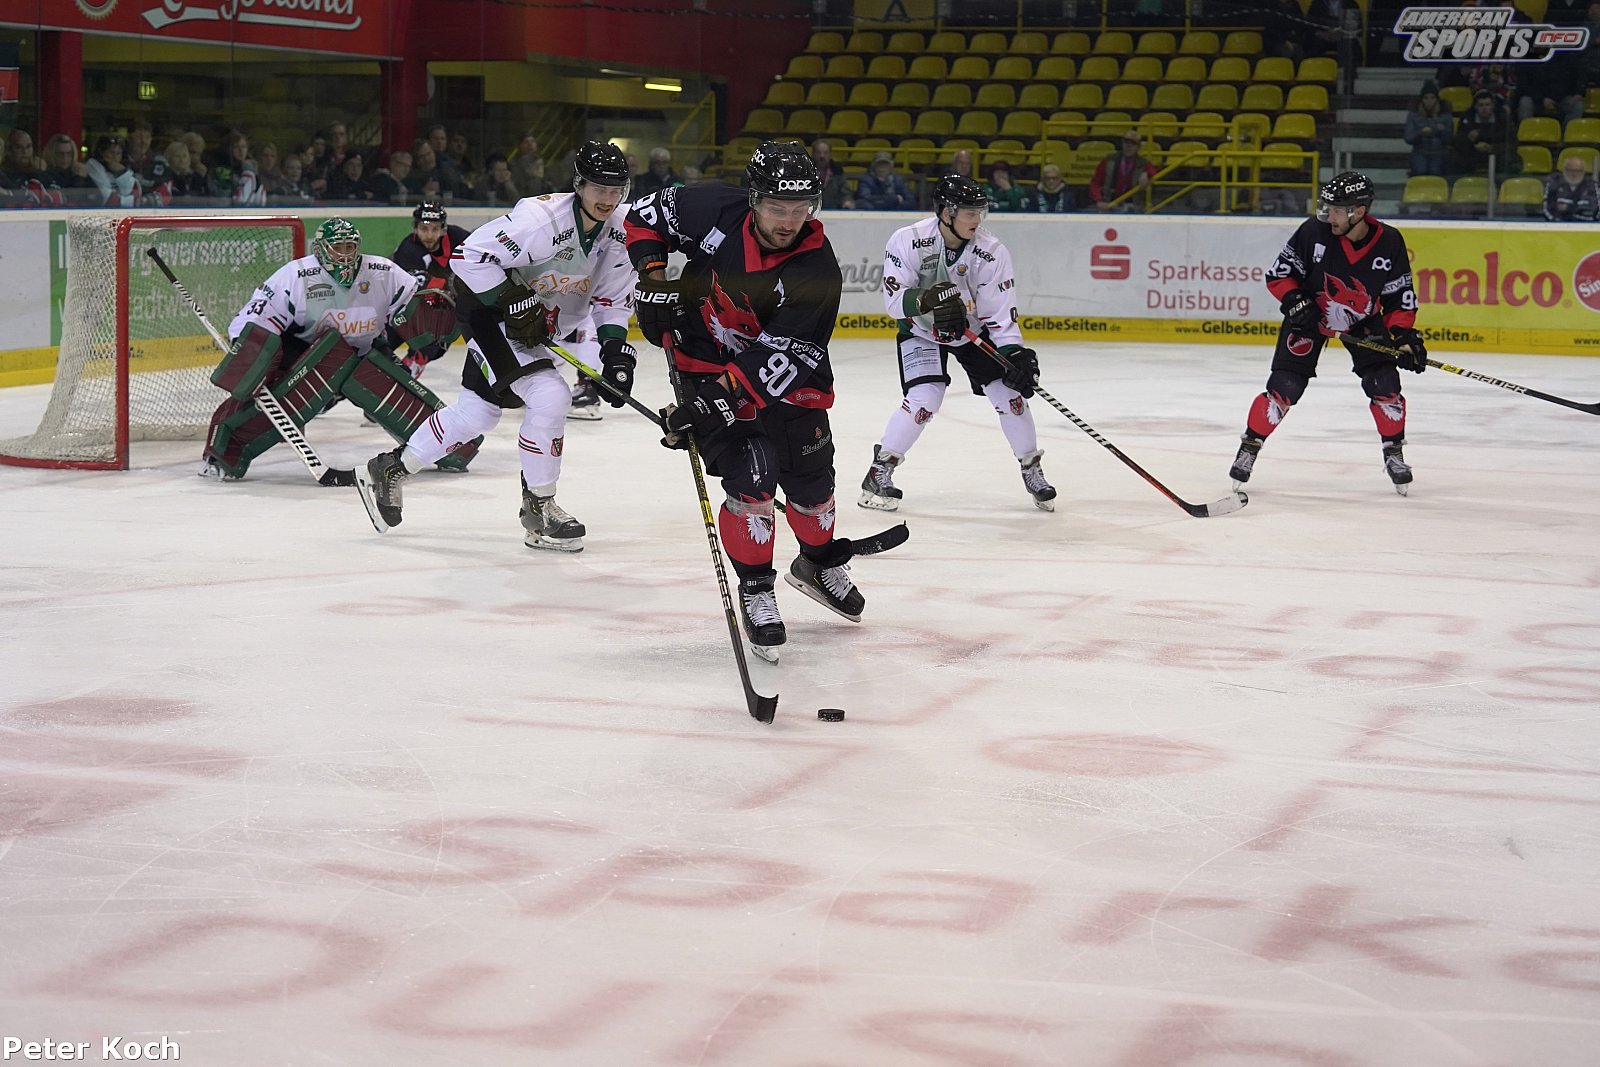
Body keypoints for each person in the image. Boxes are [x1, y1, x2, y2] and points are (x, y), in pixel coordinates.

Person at [625, 139, 865, 663]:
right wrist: (654, 279)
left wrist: (709, 404)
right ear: (754, 199)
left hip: (781, 377)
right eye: (778, 208)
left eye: (801, 209)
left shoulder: (816, 270)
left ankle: (818, 560)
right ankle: (757, 588)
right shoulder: (712, 207)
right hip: (705, 359)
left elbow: (784, 357)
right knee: (753, 474)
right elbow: (643, 216)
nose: (790, 221)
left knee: (813, 484)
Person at [357, 142, 637, 551]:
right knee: (550, 395)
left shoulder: (621, 230)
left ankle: (391, 468)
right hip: (491, 313)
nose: (607, 199)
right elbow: (469, 257)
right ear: (579, 185)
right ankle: (540, 508)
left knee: (477, 413)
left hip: (537, 326)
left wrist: (615, 353)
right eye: (599, 189)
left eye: (616, 191)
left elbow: (611, 299)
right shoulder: (541, 219)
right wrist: (513, 299)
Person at [201, 217, 469, 482]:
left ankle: (454, 448)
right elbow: (255, 317)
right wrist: (250, 354)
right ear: (320, 249)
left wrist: (435, 322)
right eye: (336, 247)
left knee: (404, 396)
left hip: (366, 351)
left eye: (349, 247)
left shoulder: (382, 271)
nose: (344, 254)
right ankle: (222, 453)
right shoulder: (296, 275)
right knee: (277, 399)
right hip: (308, 354)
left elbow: (414, 304)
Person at [859, 174, 1054, 516]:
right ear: (946, 212)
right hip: (921, 331)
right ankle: (880, 470)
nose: (977, 220)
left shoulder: (991, 251)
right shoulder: (908, 240)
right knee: (925, 397)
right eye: (969, 213)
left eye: (980, 212)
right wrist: (928, 301)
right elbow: (894, 302)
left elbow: (999, 313)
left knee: (1010, 395)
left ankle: (1031, 467)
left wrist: (1015, 353)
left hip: (972, 331)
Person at [1227, 171, 1426, 496]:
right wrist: (1295, 300)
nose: (1328, 215)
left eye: (1336, 210)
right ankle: (1249, 446)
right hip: (1308, 316)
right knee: (1285, 386)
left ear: (1358, 211)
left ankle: (1394, 452)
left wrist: (1404, 337)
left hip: (1363, 320)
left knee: (1385, 384)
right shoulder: (1313, 231)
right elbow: (1280, 275)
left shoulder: (1390, 242)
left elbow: (1398, 297)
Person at [388, 200, 472, 376]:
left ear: (443, 229)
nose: (429, 235)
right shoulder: (408, 250)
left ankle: (416, 361)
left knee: (439, 341)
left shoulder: (458, 237)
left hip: (442, 304)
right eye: (424, 229)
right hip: (401, 306)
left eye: (435, 229)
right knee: (386, 341)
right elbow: (421, 293)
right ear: (415, 228)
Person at [1451, 90, 1512, 176]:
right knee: (1457, 158)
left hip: (1496, 151)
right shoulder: (1467, 117)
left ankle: (1502, 182)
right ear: (1475, 106)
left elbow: (1508, 138)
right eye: (1481, 105)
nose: (1484, 108)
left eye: (1487, 105)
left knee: (1507, 158)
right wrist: (1469, 139)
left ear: (1493, 106)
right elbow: (1458, 140)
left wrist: (1491, 147)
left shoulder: (1502, 116)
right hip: (1472, 152)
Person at [1089, 131, 1156, 211]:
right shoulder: (1109, 160)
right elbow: (1095, 182)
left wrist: (1147, 173)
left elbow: (1155, 171)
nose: (1128, 146)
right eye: (1126, 142)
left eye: (1133, 143)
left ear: (1138, 147)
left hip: (1134, 206)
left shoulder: (1143, 163)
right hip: (1109, 204)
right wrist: (1099, 200)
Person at [1404, 80, 1452, 177]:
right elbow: (1408, 138)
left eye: (1432, 98)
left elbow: (1450, 139)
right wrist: (1420, 133)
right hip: (1419, 152)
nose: (1429, 101)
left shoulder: (1445, 114)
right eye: (1426, 98)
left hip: (1439, 152)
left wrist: (1442, 131)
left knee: (1436, 172)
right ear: (1422, 99)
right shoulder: (1413, 115)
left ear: (1437, 99)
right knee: (1420, 171)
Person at [84, 134, 141, 206]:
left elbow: (130, 192)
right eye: (111, 152)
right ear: (101, 152)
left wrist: (121, 172)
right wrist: (129, 201)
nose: (115, 157)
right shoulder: (92, 164)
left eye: (118, 153)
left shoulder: (124, 169)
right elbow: (107, 198)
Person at [1543, 155, 1599, 221]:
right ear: (1564, 170)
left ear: (1584, 172)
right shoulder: (1553, 184)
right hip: (1559, 226)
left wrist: (1567, 208)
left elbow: (1595, 213)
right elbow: (1547, 211)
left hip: (1587, 226)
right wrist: (1579, 210)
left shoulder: (1593, 186)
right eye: (1570, 170)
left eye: (1578, 171)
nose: (1574, 174)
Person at [811, 139, 854, 209]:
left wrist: (847, 201)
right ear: (813, 154)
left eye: (825, 153)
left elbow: (845, 192)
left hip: (833, 210)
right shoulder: (805, 173)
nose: (822, 156)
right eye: (818, 152)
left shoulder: (837, 171)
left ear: (830, 154)